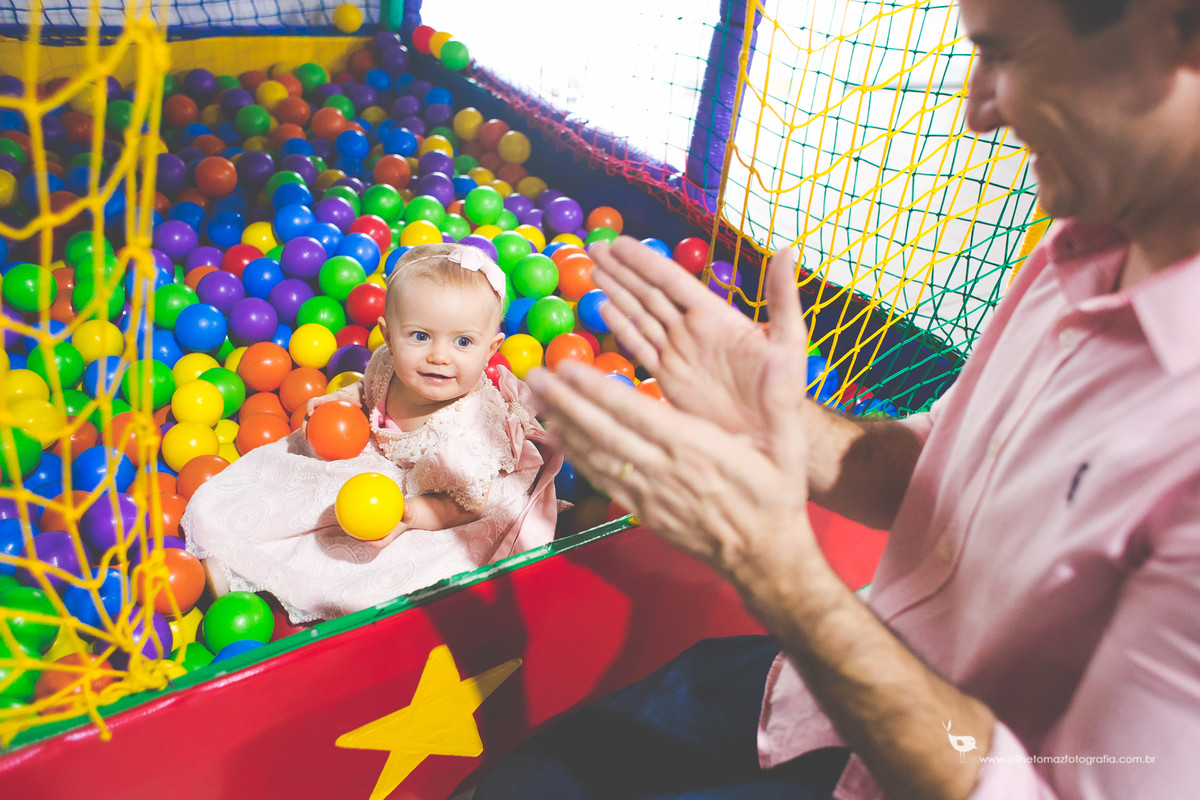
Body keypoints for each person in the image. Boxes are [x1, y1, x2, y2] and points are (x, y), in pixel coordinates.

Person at [475, 0, 1200, 797]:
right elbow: (945, 463)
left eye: (1003, 56)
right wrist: (788, 423)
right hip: (815, 684)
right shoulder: (1090, 237)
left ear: (1172, 39)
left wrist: (783, 577)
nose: (977, 108)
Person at [183, 243, 561, 623]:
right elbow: (369, 388)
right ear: (388, 336)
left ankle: (273, 592)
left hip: (445, 500)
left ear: (490, 349)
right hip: (378, 463)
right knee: (295, 492)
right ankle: (233, 557)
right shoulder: (389, 364)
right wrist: (342, 398)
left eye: (463, 342)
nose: (439, 356)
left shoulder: (471, 430)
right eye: (419, 336)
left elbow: (464, 506)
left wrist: (408, 516)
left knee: (384, 564)